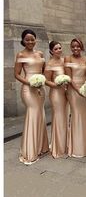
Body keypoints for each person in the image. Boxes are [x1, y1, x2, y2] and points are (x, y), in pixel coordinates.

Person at [14, 29, 49, 164]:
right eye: (27, 39)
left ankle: (41, 147)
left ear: (36, 40)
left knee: (40, 114)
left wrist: (42, 80)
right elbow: (16, 74)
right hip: (28, 89)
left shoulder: (40, 53)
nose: (30, 41)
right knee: (33, 113)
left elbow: (44, 70)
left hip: (40, 88)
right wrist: (29, 82)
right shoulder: (20, 54)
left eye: (32, 39)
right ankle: (30, 151)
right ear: (23, 41)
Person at [64, 38, 86, 158]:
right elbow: (69, 78)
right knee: (76, 115)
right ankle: (77, 147)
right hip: (73, 90)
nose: (75, 48)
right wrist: (78, 91)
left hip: (85, 91)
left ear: (81, 47)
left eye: (78, 46)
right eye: (73, 46)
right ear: (71, 47)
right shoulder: (67, 59)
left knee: (85, 115)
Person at [44, 41, 68, 158]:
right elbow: (46, 80)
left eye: (60, 48)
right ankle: (58, 146)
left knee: (65, 116)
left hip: (65, 93)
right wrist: (56, 85)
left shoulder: (64, 61)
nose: (59, 50)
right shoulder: (50, 64)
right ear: (51, 51)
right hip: (56, 93)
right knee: (58, 117)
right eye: (56, 49)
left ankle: (65, 143)